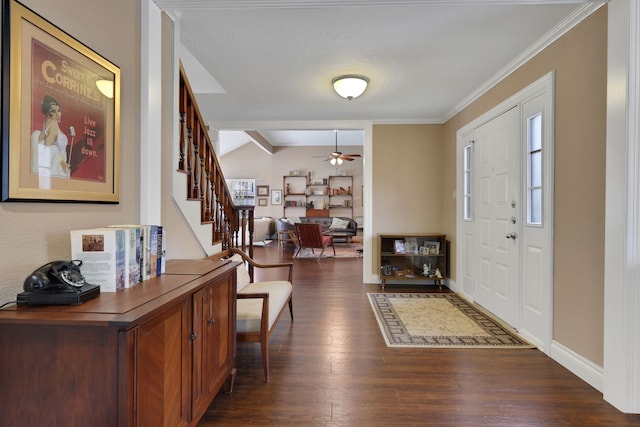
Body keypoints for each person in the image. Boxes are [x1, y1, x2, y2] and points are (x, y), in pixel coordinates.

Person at [30, 94, 70, 178]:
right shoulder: (53, 124)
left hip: (57, 170)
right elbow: (46, 150)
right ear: (47, 112)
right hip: (57, 171)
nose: (58, 115)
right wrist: (61, 162)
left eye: (59, 110)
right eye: (53, 111)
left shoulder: (46, 124)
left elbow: (41, 144)